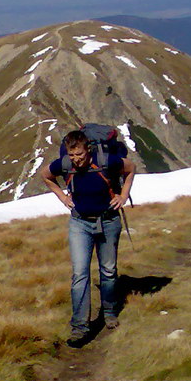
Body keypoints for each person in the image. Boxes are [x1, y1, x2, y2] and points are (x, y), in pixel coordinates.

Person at [40, 130, 136, 346]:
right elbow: (45, 175)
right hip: (79, 223)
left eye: (80, 155)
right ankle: (79, 327)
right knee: (80, 274)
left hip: (109, 220)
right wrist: (62, 197)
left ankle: (110, 313)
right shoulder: (64, 164)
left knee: (109, 270)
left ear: (88, 150)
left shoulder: (105, 160)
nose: (76, 160)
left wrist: (123, 195)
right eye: (72, 155)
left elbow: (130, 168)